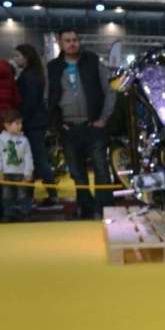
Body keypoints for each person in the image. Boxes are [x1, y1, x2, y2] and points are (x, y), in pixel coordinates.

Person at [47, 28, 115, 219]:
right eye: (67, 40)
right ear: (60, 43)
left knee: (101, 170)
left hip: (94, 126)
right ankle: (86, 209)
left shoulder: (92, 61)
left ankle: (105, 210)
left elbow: (110, 90)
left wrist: (104, 118)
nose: (72, 44)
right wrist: (57, 124)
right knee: (77, 173)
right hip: (68, 128)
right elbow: (48, 97)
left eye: (75, 40)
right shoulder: (52, 67)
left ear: (79, 41)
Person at [12, 44, 59, 207]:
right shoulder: (33, 73)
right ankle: (43, 194)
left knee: (37, 160)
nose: (15, 59)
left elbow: (30, 102)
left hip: (32, 124)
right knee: (35, 160)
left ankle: (51, 195)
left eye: (17, 56)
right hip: (35, 122)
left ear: (26, 57)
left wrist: (21, 121)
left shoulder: (29, 76)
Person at [0, 109, 35, 221]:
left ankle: (25, 214)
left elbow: (28, 157)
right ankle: (8, 214)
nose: (20, 126)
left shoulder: (24, 140)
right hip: (6, 173)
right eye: (17, 123)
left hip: (21, 173)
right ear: (7, 125)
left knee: (23, 194)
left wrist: (28, 172)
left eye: (21, 123)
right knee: (7, 195)